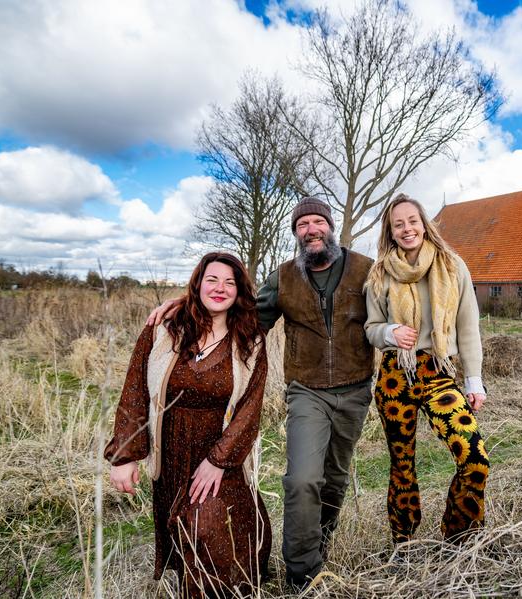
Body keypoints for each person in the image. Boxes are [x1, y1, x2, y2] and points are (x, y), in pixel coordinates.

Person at [148, 197, 375, 591]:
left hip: (356, 390)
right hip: (307, 391)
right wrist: (185, 302)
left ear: (330, 227)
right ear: (296, 233)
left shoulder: (365, 270)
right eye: (302, 224)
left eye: (318, 221)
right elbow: (244, 315)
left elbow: (393, 308)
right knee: (303, 479)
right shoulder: (285, 277)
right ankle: (302, 573)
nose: (311, 229)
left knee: (334, 480)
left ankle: (318, 540)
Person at [106, 252, 271, 597]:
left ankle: (233, 587)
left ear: (239, 291)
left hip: (220, 452)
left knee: (210, 526)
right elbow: (135, 390)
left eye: (230, 282)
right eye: (212, 279)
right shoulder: (165, 330)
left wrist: (219, 461)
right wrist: (124, 454)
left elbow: (250, 408)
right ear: (197, 283)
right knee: (183, 532)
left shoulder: (250, 339)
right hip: (171, 452)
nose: (220, 288)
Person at [364, 193, 489, 545]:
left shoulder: (452, 266)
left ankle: (460, 537)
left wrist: (474, 381)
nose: (407, 229)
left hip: (438, 371)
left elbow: (468, 327)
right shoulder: (379, 273)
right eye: (398, 224)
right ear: (390, 231)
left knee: (474, 458)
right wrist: (389, 332)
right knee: (402, 466)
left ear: (424, 224)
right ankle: (403, 542)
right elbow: (371, 328)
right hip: (395, 375)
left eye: (412, 221)